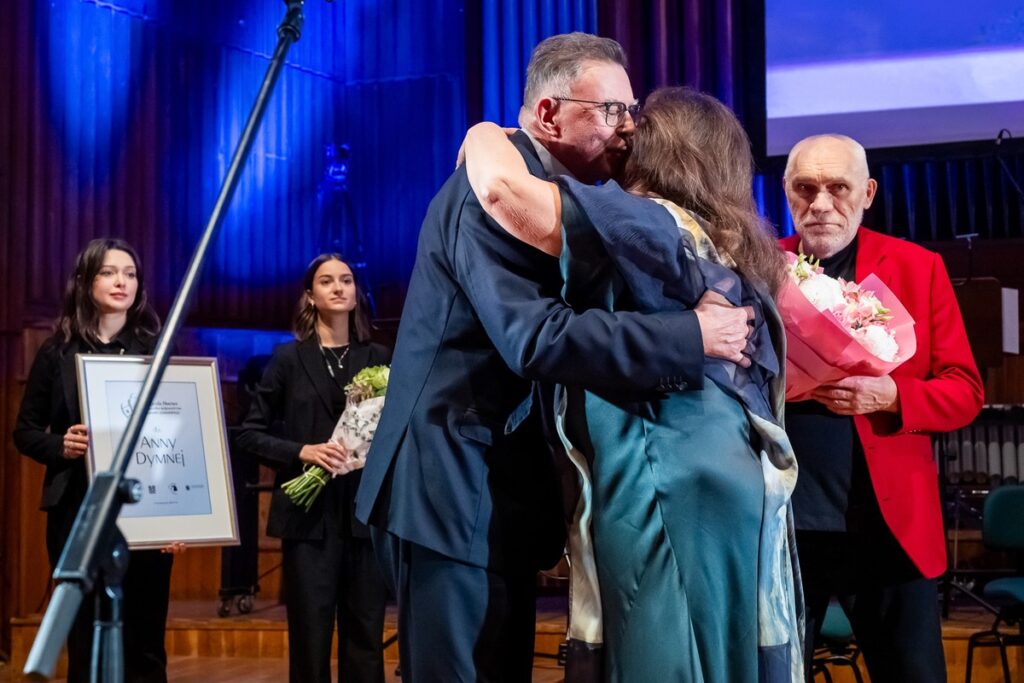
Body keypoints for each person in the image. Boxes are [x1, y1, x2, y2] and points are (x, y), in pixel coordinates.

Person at [354, 33, 755, 682]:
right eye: (611, 111)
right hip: (447, 483)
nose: (628, 129)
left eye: (632, 111)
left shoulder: (553, 192)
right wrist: (691, 336)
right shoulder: (489, 194)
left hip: (498, 487)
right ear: (549, 114)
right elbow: (534, 338)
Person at [464, 87, 803, 682]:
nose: (622, 132)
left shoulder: (649, 220)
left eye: (635, 125)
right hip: (722, 466)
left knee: (664, 652)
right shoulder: (726, 239)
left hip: (663, 466)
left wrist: (482, 134)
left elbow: (501, 191)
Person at [779, 134, 984, 682]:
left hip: (888, 527)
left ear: (867, 193)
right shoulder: (758, 266)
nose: (821, 204)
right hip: (785, 524)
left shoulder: (918, 267)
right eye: (805, 189)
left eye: (838, 188)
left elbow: (965, 391)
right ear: (787, 191)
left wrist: (893, 397)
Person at [13, 238, 180, 683]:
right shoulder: (57, 351)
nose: (121, 281)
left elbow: (179, 437)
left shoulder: (156, 350)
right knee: (84, 637)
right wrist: (61, 445)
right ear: (86, 281)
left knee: (146, 641)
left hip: (145, 510)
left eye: (130, 273)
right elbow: (24, 432)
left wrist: (179, 518)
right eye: (108, 272)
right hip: (76, 510)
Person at [235, 254, 391, 683]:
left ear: (356, 293)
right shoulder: (288, 359)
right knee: (310, 639)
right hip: (307, 521)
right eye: (327, 281)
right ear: (310, 296)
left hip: (364, 517)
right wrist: (302, 451)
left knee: (366, 639)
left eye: (347, 280)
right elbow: (248, 434)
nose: (339, 287)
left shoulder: (379, 358)